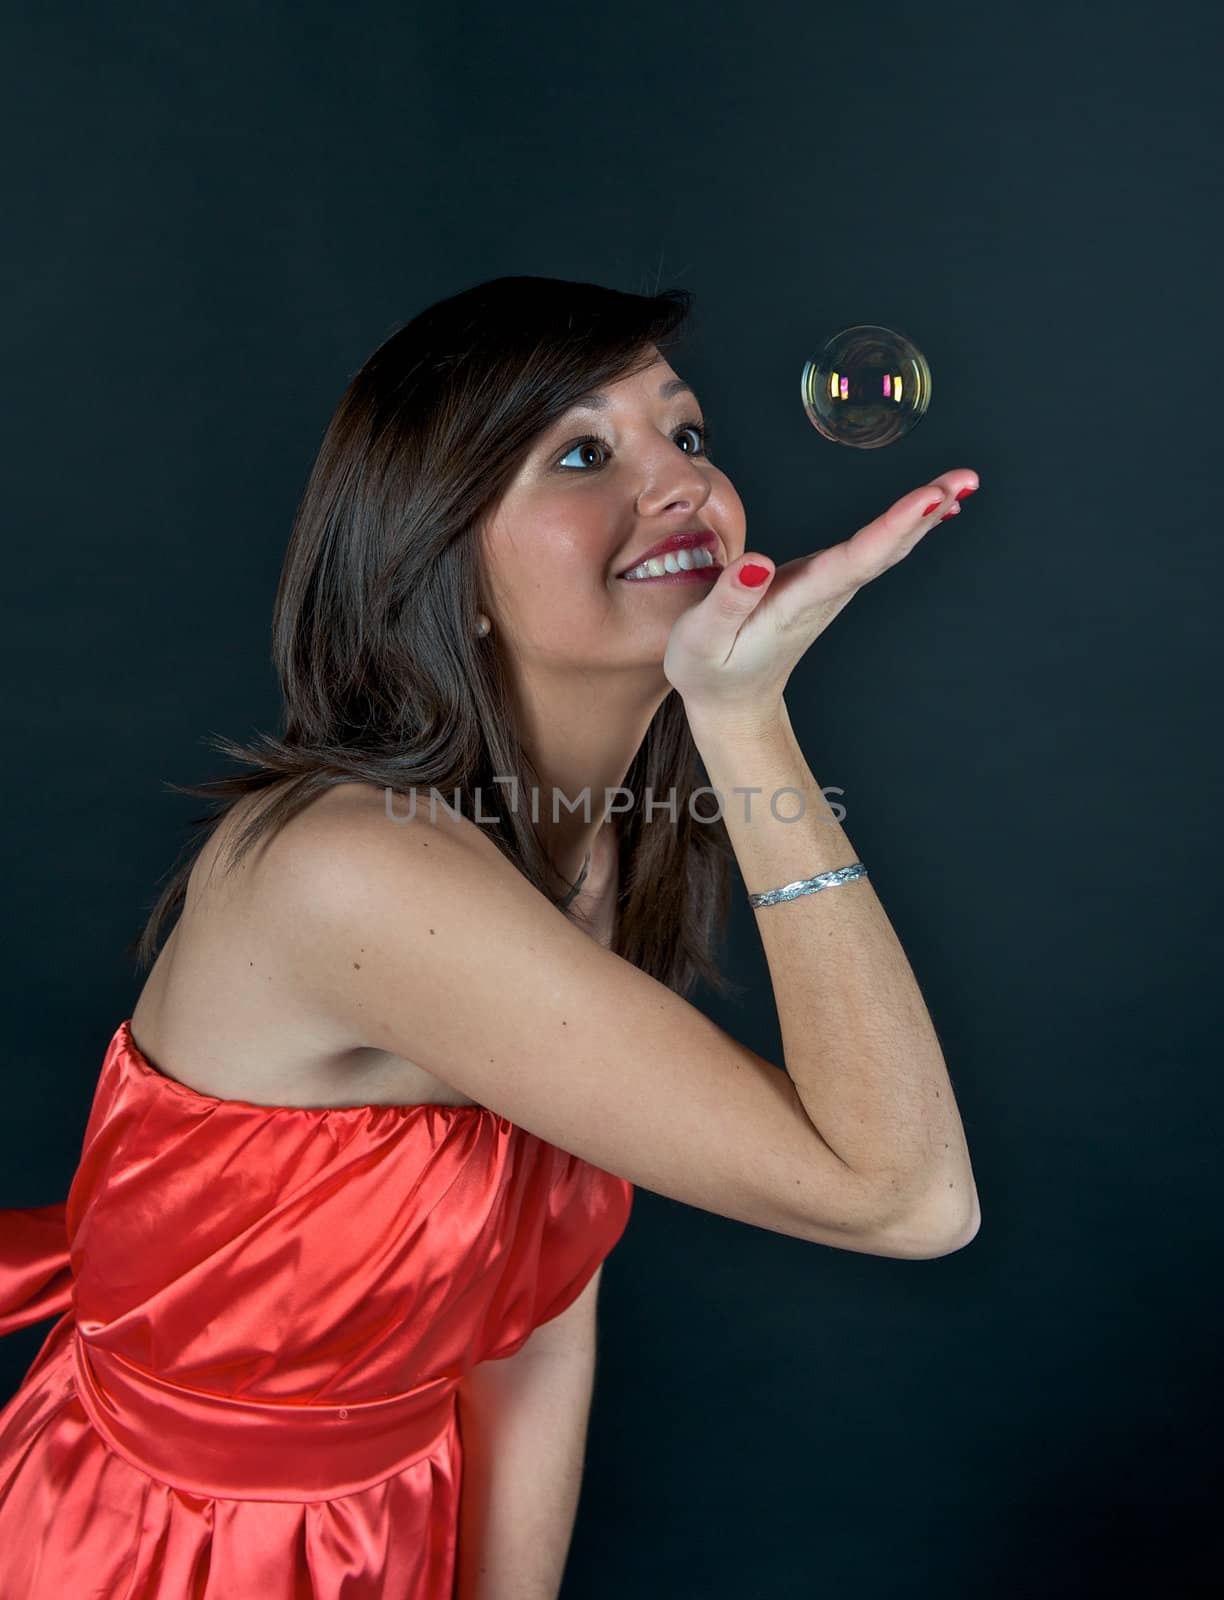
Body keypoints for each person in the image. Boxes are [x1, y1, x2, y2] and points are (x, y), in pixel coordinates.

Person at [0, 273, 981, 1599]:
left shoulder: (592, 845)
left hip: (394, 1524)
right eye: (583, 453)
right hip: (171, 1548)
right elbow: (906, 1200)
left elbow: (530, 1318)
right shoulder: (354, 874)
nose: (683, 481)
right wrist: (750, 725)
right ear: (442, 568)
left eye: (685, 436)